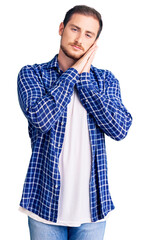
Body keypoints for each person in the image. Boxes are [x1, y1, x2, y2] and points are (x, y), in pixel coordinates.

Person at [17, 5, 132, 240]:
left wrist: (85, 79)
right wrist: (73, 73)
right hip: (44, 207)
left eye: (88, 34)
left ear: (95, 42)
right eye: (75, 29)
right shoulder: (32, 74)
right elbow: (41, 118)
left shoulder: (105, 80)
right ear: (62, 28)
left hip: (92, 211)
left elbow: (120, 129)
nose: (80, 39)